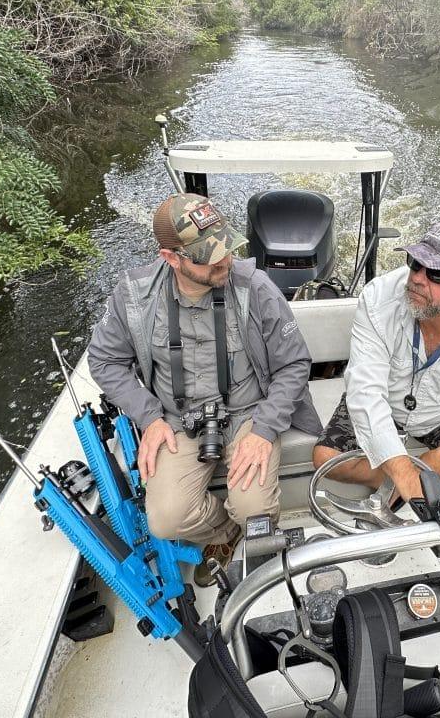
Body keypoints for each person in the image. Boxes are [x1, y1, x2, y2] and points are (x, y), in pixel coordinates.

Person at [88, 193, 322, 586]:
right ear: (170, 258)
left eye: (225, 249)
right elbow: (105, 361)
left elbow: (294, 364)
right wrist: (148, 418)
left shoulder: (255, 287)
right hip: (176, 421)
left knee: (255, 510)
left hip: (249, 413)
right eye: (207, 257)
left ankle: (247, 530)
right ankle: (223, 534)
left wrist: (264, 430)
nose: (223, 261)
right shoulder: (134, 296)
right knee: (164, 519)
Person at [312, 219, 440, 606]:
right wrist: (406, 471)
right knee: (324, 458)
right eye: (415, 264)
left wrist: (439, 457)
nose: (418, 278)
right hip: (384, 406)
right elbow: (365, 392)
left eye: (436, 273)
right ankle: (394, 482)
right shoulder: (378, 298)